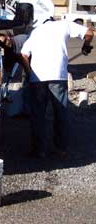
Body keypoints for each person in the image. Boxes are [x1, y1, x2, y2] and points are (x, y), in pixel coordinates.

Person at [20, 19, 94, 158]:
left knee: (38, 114)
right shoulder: (64, 24)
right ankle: (60, 149)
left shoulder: (36, 31)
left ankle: (39, 150)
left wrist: (29, 72)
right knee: (60, 112)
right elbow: (89, 33)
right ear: (54, 19)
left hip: (38, 78)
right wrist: (85, 46)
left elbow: (24, 54)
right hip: (58, 75)